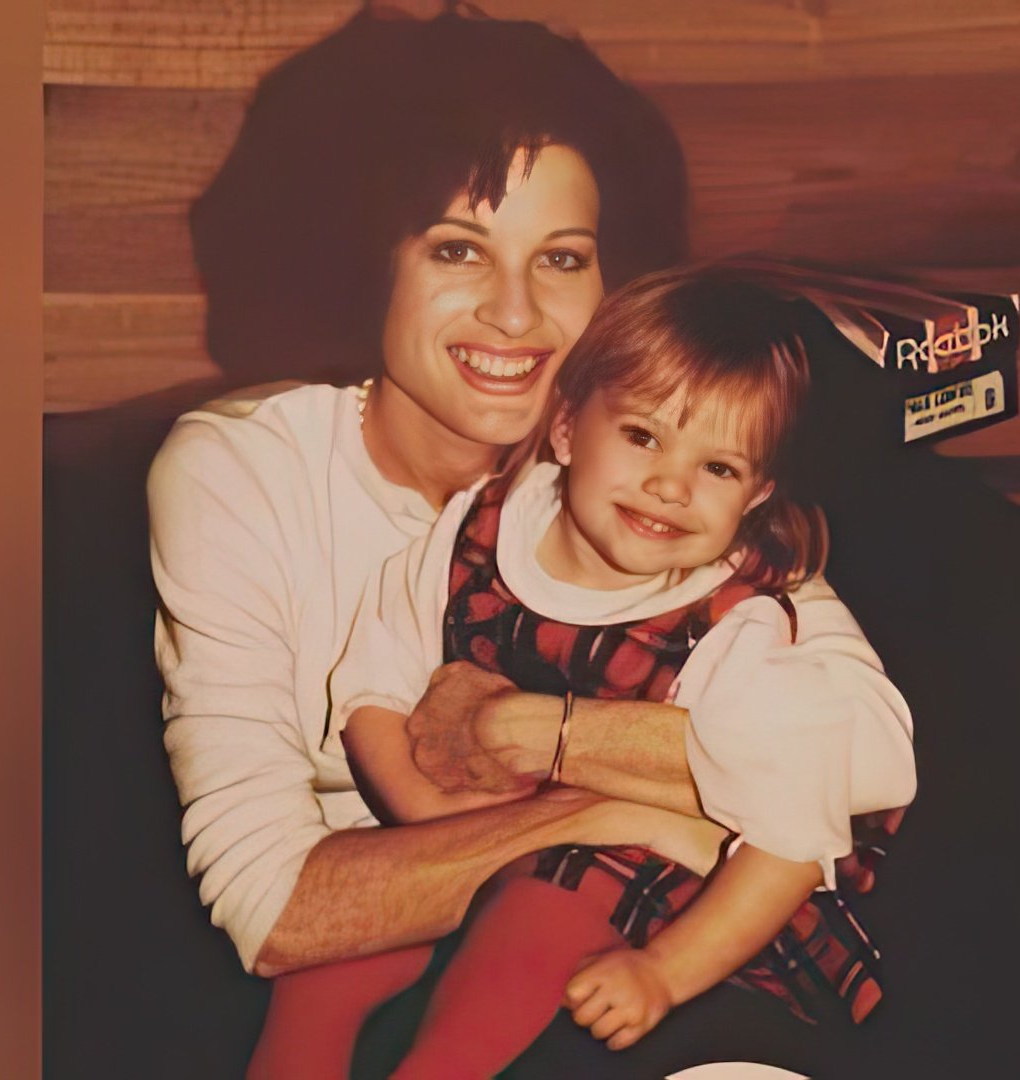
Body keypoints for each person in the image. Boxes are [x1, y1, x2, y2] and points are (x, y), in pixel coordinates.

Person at [150, 11, 914, 1077]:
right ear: (378, 266)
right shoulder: (245, 472)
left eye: (561, 257)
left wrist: (533, 729)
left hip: (635, 964)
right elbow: (272, 905)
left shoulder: (666, 487)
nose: (514, 313)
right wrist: (615, 809)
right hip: (380, 950)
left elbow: (869, 761)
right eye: (459, 249)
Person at [285, 263, 916, 1078]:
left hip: (684, 901)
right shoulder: (480, 528)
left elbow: (791, 846)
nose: (670, 485)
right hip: (488, 842)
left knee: (541, 910)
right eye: (644, 436)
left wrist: (666, 971)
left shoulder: (738, 624)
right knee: (330, 965)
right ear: (567, 429)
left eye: (718, 469)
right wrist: (438, 829)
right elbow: (375, 683)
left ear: (757, 496)